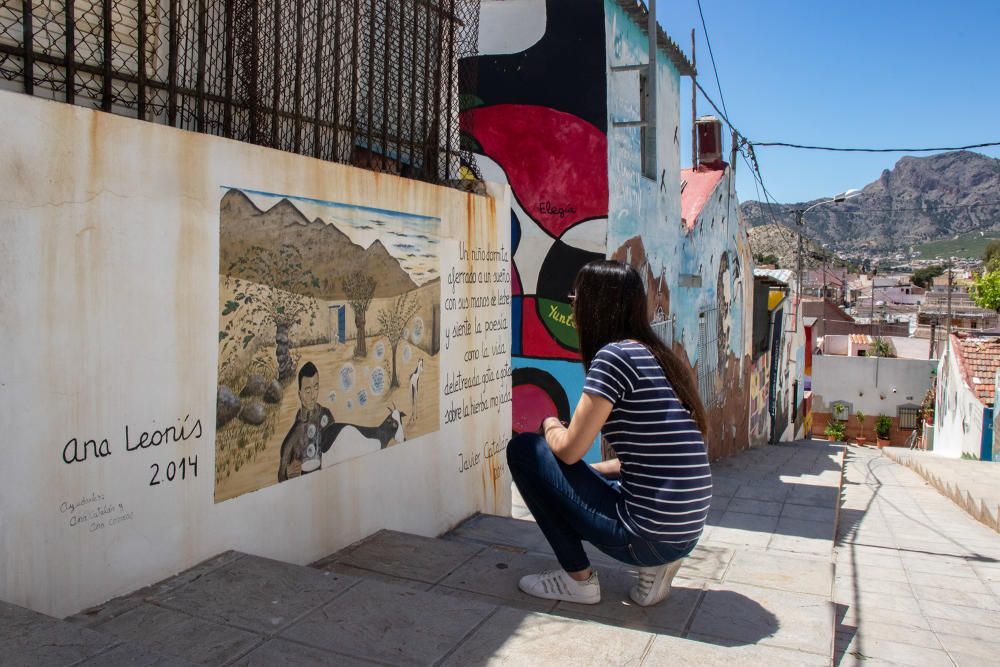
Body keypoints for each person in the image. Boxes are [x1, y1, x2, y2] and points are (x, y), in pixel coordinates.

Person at [507, 260, 711, 607]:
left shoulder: (613, 358)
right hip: (685, 530)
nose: (572, 307)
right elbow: (653, 456)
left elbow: (569, 450)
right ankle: (656, 565)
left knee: (525, 450)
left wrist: (550, 425)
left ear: (593, 305)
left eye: (575, 298)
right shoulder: (656, 356)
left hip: (648, 533)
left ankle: (578, 580)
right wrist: (589, 475)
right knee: (577, 476)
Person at [278, 362, 335, 482]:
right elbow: (281, 476)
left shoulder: (327, 417)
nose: (313, 396)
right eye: (308, 391)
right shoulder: (293, 437)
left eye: (316, 387)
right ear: (300, 394)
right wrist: (289, 475)